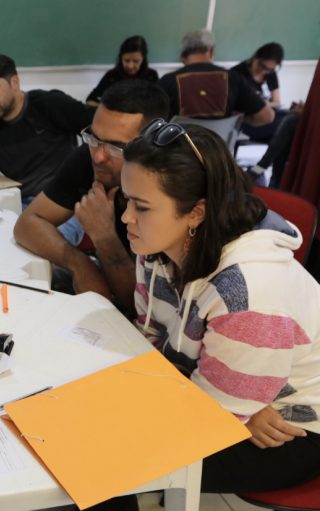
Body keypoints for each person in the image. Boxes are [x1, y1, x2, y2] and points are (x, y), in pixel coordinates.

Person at [118, 119, 320, 505]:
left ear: (196, 212)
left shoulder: (248, 293)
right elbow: (151, 338)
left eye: (141, 206)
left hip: (289, 428)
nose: (127, 217)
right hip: (236, 399)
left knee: (117, 456)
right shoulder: (156, 245)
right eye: (126, 200)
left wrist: (235, 409)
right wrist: (234, 402)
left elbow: (208, 417)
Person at [14, 81, 169, 312]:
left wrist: (103, 236)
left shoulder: (167, 193)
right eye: (93, 138)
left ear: (151, 145)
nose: (98, 156)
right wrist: (80, 264)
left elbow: (143, 312)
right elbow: (27, 224)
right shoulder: (89, 161)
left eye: (116, 146)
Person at [0, 53, 94, 202]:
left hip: (62, 203)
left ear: (14, 83)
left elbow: (95, 127)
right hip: (19, 202)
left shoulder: (48, 104)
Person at [158, 29, 274, 127]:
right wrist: (234, 120)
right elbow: (267, 116)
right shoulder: (233, 79)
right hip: (218, 150)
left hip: (179, 151)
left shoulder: (167, 81)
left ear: (182, 56)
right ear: (211, 51)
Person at [85, 35, 159, 106]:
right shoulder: (112, 76)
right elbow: (90, 101)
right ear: (121, 58)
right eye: (126, 60)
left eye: (136, 61)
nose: (130, 66)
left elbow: (159, 103)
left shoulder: (151, 76)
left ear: (143, 59)